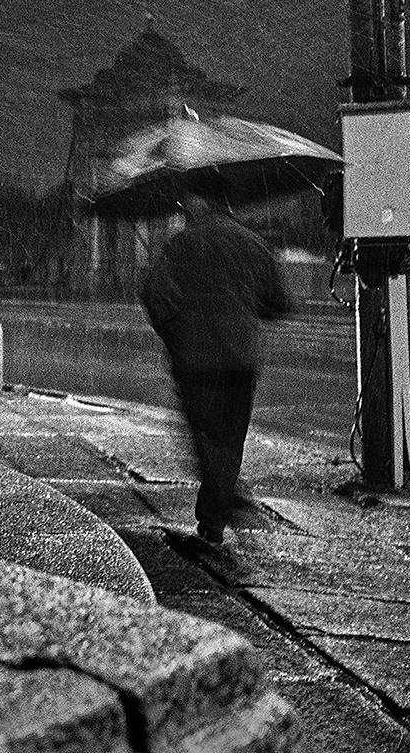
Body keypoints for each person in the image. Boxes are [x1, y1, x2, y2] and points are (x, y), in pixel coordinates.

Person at [139, 170, 292, 544]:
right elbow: (279, 302)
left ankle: (219, 506)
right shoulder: (252, 243)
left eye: (187, 202)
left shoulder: (182, 245)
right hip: (240, 359)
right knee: (229, 438)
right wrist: (244, 307)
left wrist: (174, 335)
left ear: (199, 202)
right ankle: (216, 515)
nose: (183, 208)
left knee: (206, 437)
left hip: (196, 360)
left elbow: (154, 296)